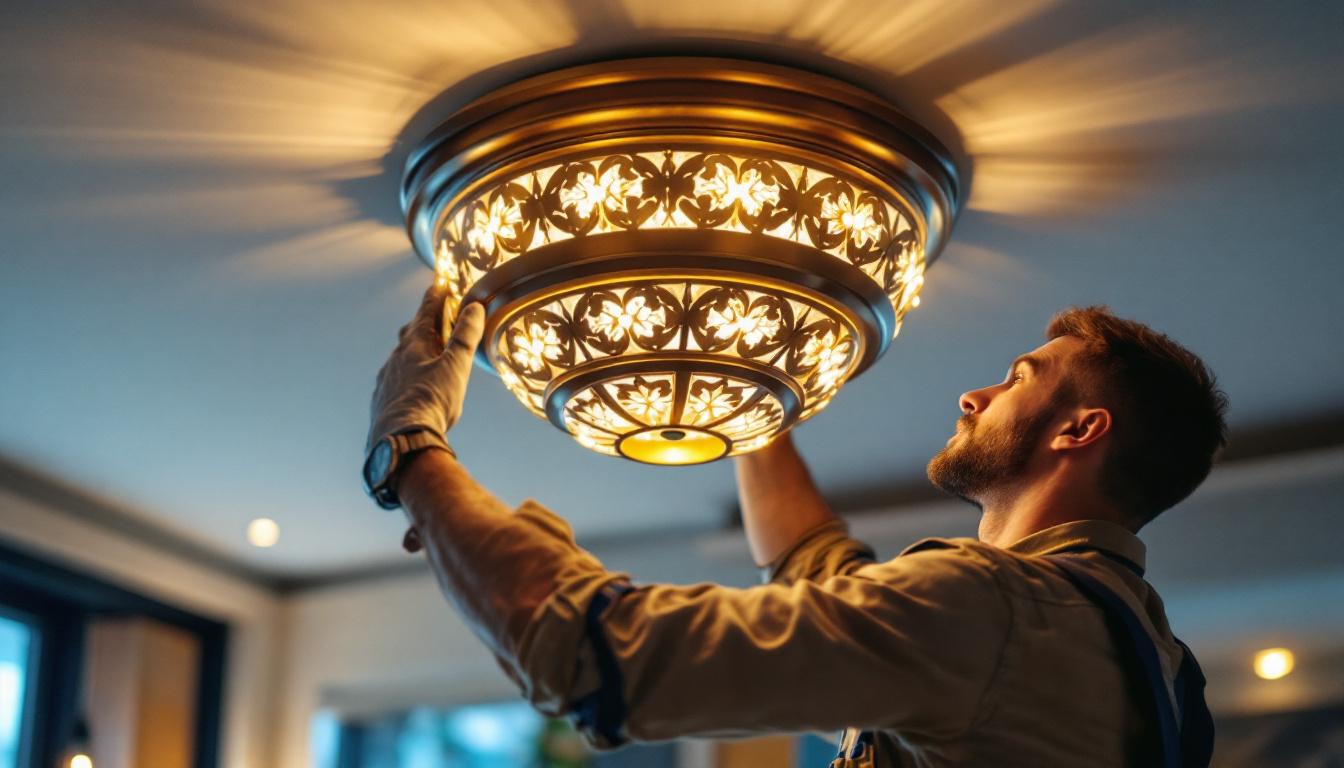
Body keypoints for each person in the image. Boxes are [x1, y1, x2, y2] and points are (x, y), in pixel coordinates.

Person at [362, 283, 1228, 766]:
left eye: (1017, 378)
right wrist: (747, 396)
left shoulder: (997, 609)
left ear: (1079, 431)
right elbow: (814, 565)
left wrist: (409, 451)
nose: (975, 394)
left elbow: (600, 656)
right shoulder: (1135, 647)